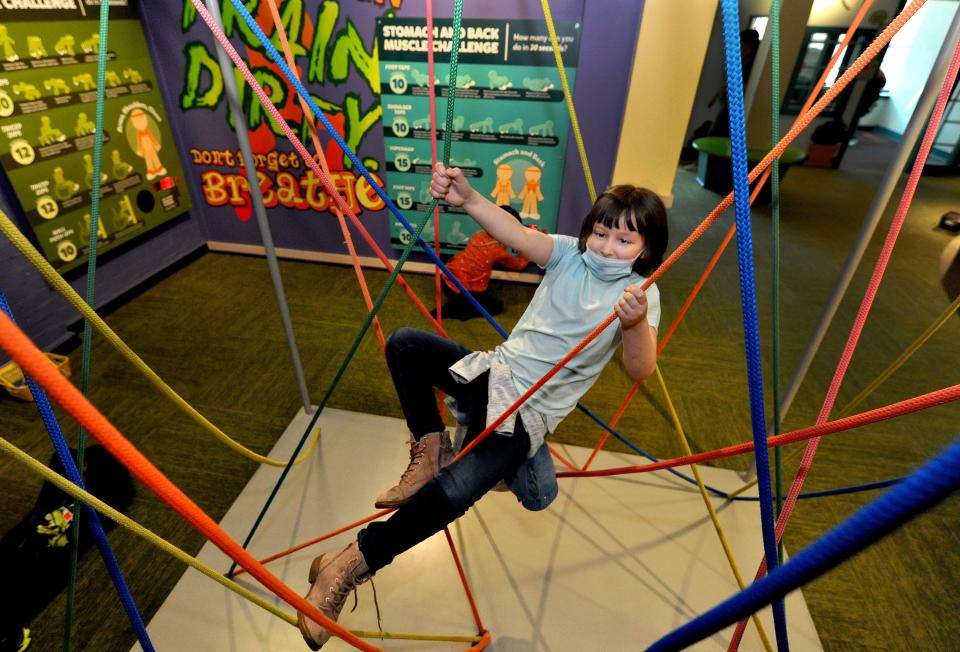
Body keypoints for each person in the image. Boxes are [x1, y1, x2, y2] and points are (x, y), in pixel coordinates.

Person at [297, 163, 669, 649]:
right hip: (493, 375)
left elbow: (641, 368)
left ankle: (348, 562)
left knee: (461, 494)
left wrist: (635, 323)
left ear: (646, 250)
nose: (605, 247)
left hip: (527, 416)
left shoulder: (641, 294)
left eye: (624, 241)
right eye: (600, 233)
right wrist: (469, 199)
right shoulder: (566, 256)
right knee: (406, 344)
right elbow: (515, 234)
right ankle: (430, 452)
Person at [433, 204, 530, 320]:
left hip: (446, 280)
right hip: (463, 291)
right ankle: (456, 310)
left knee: (482, 293)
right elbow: (518, 265)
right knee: (496, 306)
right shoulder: (498, 251)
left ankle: (457, 305)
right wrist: (528, 255)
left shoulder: (478, 235)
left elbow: (484, 256)